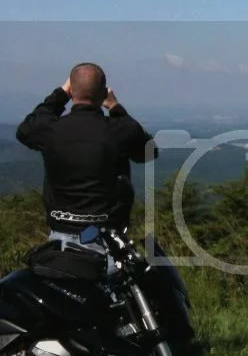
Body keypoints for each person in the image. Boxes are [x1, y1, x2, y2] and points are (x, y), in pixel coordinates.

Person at [16, 62, 157, 264]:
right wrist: (116, 107)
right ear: (104, 93)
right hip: (106, 242)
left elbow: (25, 129)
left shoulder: (51, 129)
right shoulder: (117, 130)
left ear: (72, 91)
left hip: (60, 243)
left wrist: (60, 94)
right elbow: (150, 151)